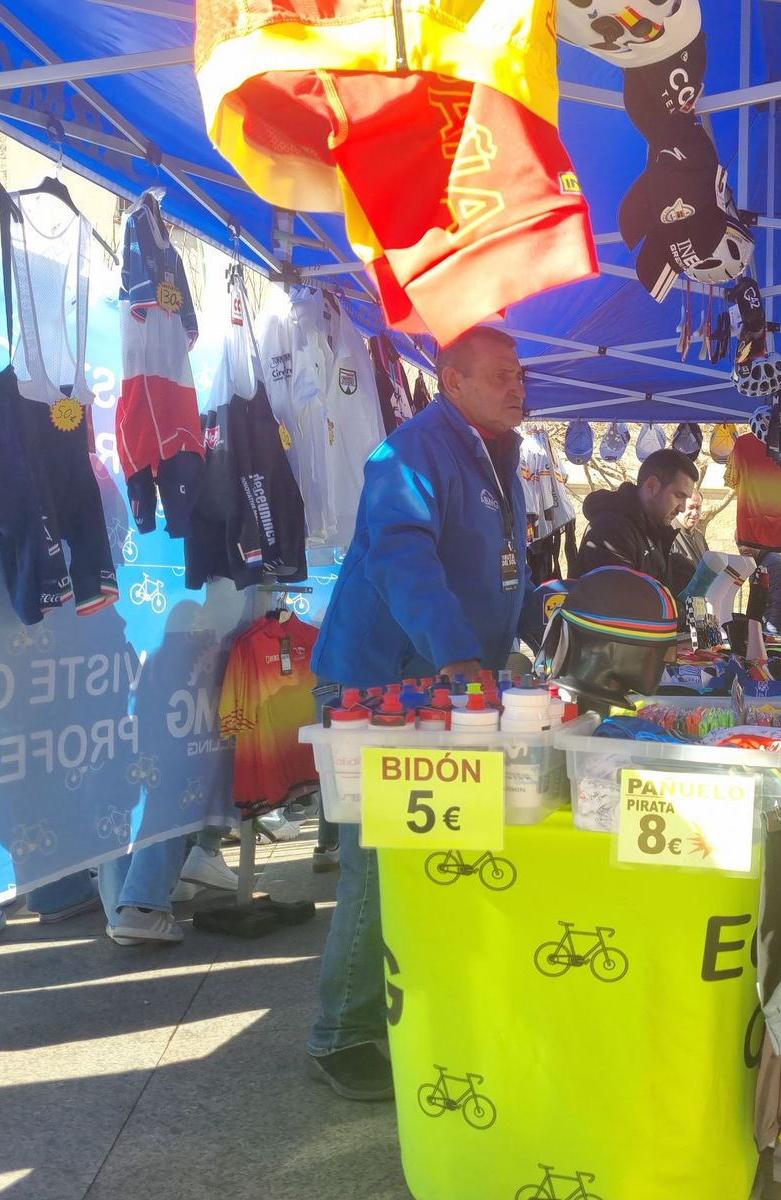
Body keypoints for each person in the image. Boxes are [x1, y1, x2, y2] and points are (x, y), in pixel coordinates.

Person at [306, 325, 536, 1102]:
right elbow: (404, 559)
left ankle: (413, 1007)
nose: (517, 386)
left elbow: (507, 571)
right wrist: (460, 658)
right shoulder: (405, 455)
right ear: (451, 380)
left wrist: (552, 627)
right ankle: (341, 1033)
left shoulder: (500, 455)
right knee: (380, 865)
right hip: (378, 686)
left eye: (520, 374)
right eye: (501, 374)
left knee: (437, 856)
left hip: (446, 686)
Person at [576, 448, 699, 590]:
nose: (682, 508)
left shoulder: (656, 532)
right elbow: (621, 602)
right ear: (652, 486)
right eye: (678, 496)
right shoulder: (610, 529)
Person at [740, 544, 781, 637]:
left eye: (747, 543)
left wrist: (768, 638)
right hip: (780, 639)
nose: (744, 548)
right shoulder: (762, 563)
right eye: (739, 544)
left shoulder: (774, 564)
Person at [668, 490, 708, 593]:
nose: (695, 513)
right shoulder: (668, 533)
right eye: (690, 507)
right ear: (680, 507)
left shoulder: (699, 537)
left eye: (698, 508)